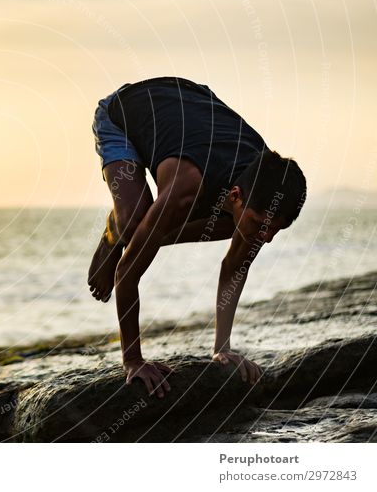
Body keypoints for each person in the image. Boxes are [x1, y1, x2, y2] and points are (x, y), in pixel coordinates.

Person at [88, 76, 306, 399]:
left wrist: (223, 349)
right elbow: (126, 274)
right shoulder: (184, 187)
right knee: (137, 223)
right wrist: (133, 360)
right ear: (235, 196)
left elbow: (235, 267)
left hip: (192, 106)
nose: (268, 237)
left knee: (222, 230)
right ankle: (116, 230)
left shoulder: (264, 188)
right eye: (262, 224)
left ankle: (146, 228)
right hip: (127, 110)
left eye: (276, 229)